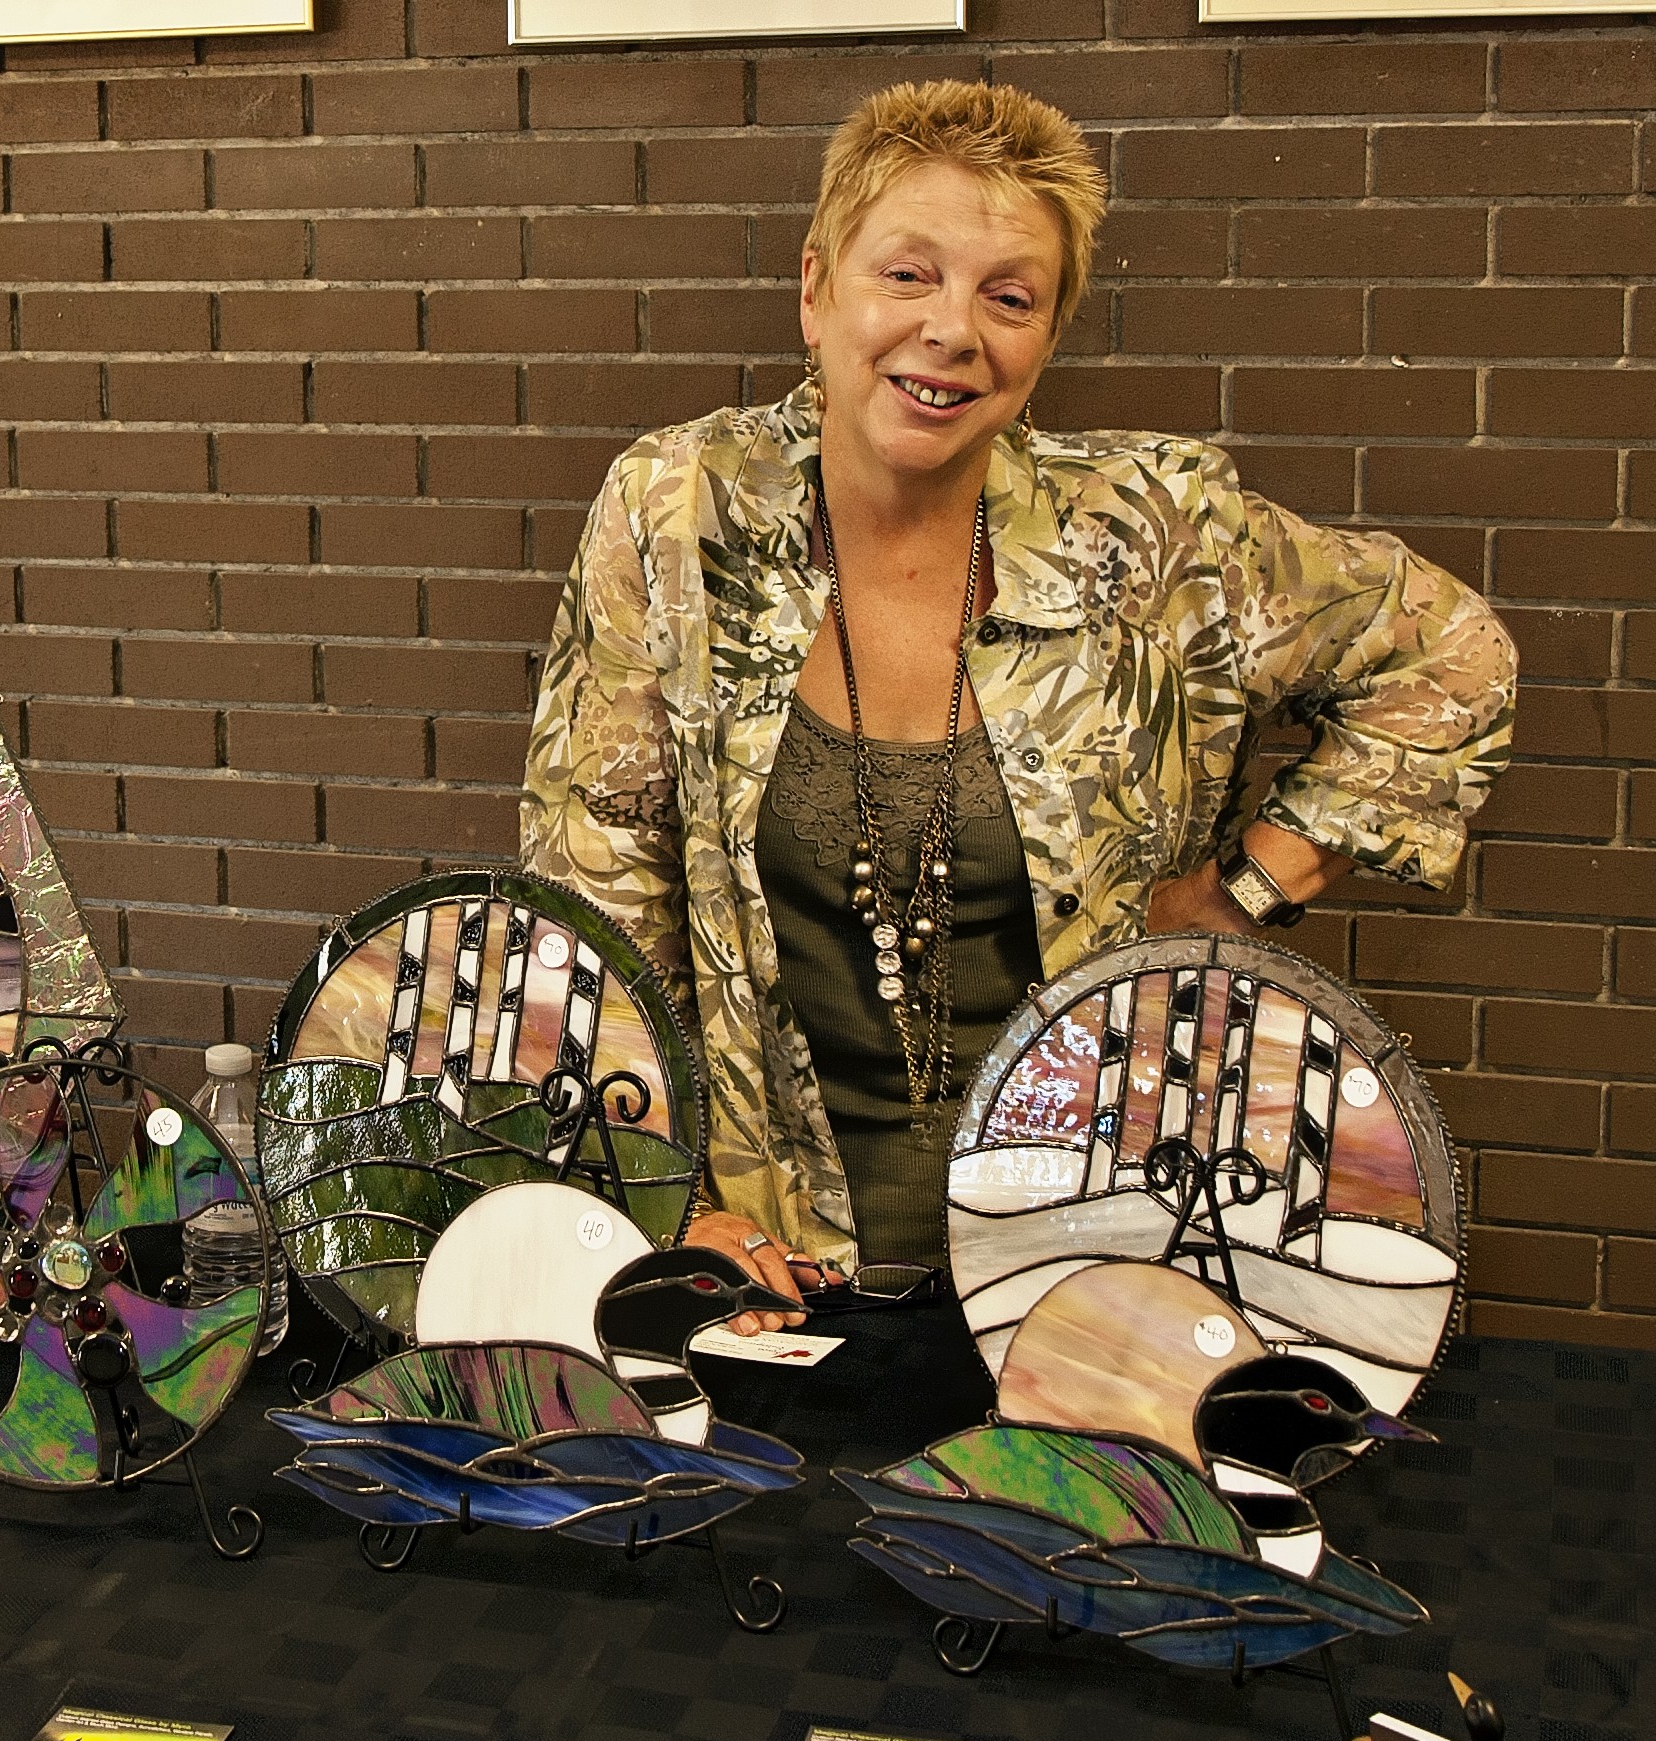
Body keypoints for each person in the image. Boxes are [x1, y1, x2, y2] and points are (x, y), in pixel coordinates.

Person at [518, 81, 1515, 1335]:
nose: (949, 332)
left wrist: (1237, 895)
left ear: (1045, 336)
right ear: (816, 290)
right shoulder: (675, 511)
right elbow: (592, 884)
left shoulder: (1151, 535)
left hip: (1101, 1272)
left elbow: (1452, 655)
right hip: (771, 1278)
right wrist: (655, 1197)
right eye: (908, 275)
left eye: (1007, 296)